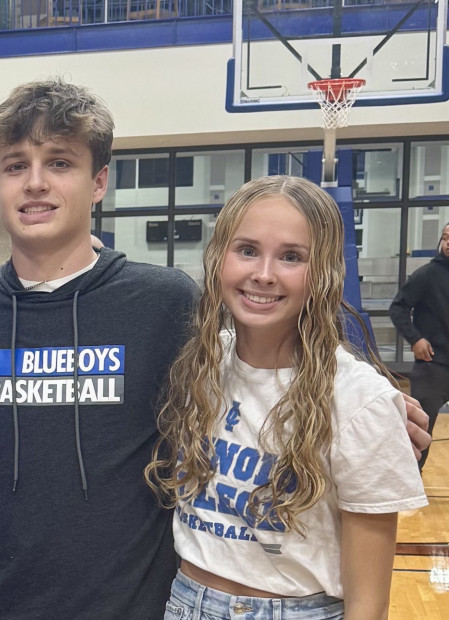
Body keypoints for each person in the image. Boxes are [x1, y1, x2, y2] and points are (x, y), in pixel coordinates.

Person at [0, 80, 432, 619]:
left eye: (60, 163)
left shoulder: (165, 302)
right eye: (16, 165)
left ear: (99, 182)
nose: (36, 182)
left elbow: (267, 354)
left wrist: (373, 406)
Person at [145, 175, 427, 618]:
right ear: (218, 257)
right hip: (184, 600)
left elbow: (368, 601)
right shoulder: (200, 363)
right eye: (247, 250)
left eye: (291, 256)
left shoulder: (359, 399)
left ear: (324, 273)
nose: (263, 274)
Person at [389, 221, 449, 470]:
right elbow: (398, 308)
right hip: (432, 365)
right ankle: (409, 478)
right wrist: (415, 339)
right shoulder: (426, 275)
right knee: (418, 430)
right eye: (445, 237)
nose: (448, 243)